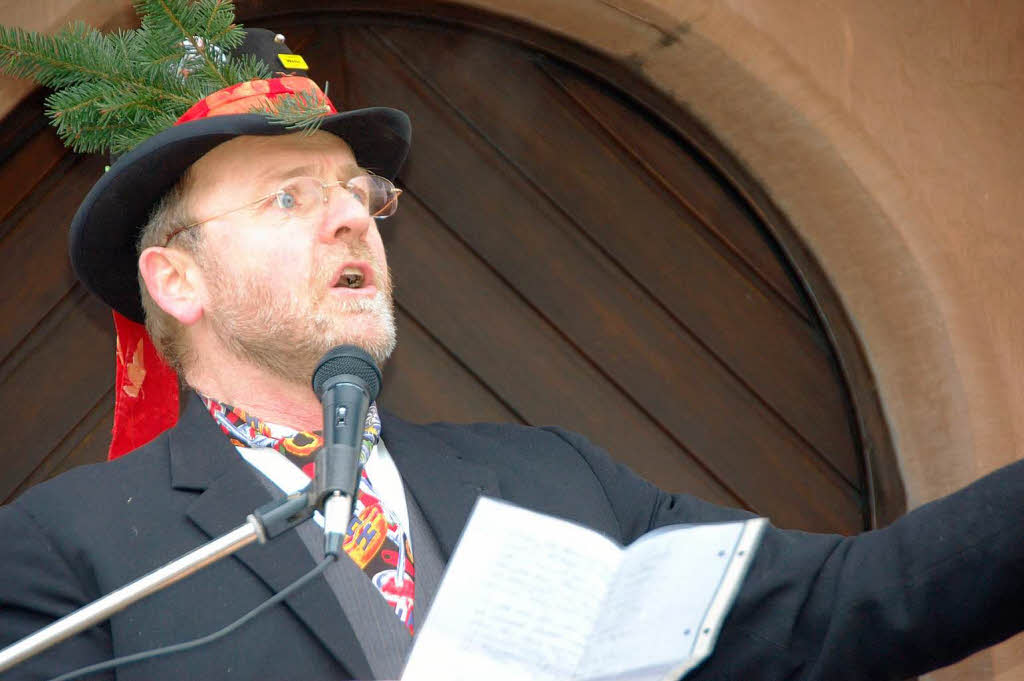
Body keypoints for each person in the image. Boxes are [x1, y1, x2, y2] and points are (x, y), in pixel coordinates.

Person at [2, 15, 1024, 681]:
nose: (352, 220)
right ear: (175, 280)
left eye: (361, 195)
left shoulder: (557, 480)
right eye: (290, 198)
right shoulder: (65, 549)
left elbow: (845, 607)